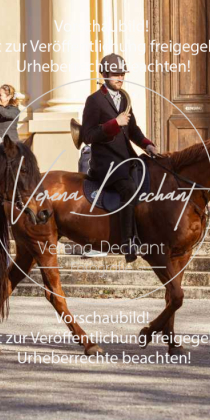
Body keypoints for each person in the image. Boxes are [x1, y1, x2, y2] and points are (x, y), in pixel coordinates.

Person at [80, 53, 161, 263]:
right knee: (129, 189)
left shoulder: (125, 98)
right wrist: (114, 123)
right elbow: (87, 135)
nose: (120, 78)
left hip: (126, 159)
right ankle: (128, 242)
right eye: (116, 74)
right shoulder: (94, 101)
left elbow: (132, 129)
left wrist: (147, 144)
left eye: (122, 74)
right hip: (105, 163)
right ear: (105, 75)